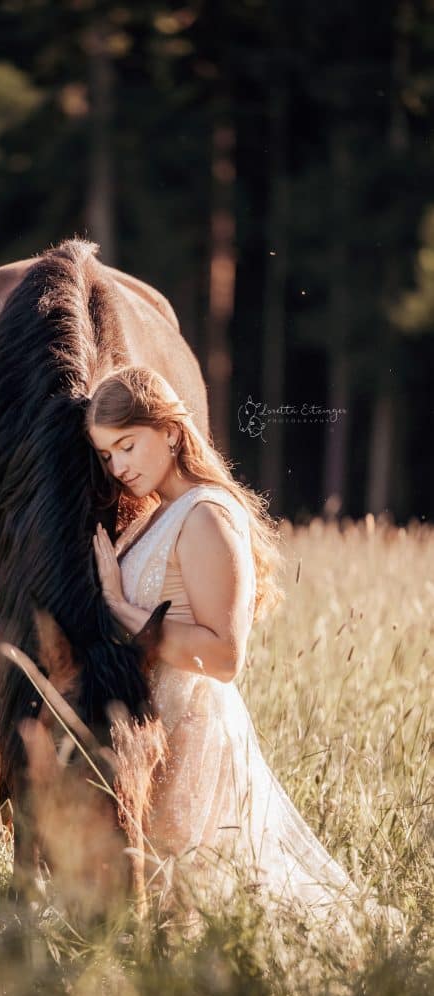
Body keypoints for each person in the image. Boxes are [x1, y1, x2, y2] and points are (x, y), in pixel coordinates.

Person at [86, 366, 399, 936]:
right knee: (152, 906)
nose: (119, 466)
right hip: (149, 731)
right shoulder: (157, 513)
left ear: (171, 431)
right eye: (108, 455)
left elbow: (227, 656)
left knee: (193, 908)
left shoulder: (206, 513)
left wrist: (123, 610)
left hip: (192, 732)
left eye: (127, 445)